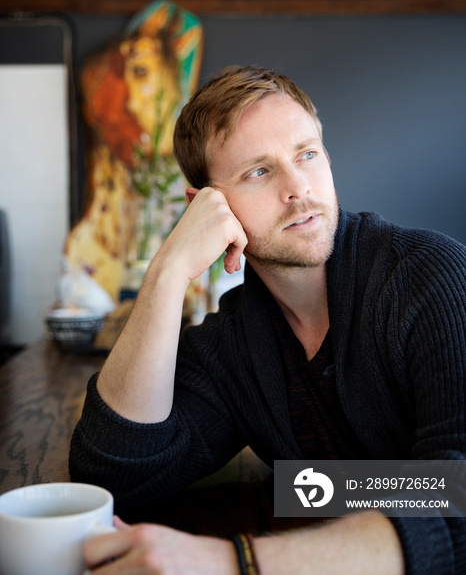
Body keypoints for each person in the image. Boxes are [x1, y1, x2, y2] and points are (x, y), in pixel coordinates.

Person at [70, 65, 466, 575]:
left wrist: (235, 562)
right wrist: (168, 273)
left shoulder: (430, 277)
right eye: (259, 171)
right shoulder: (235, 345)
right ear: (204, 208)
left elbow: (455, 497)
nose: (298, 187)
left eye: (307, 154)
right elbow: (113, 474)